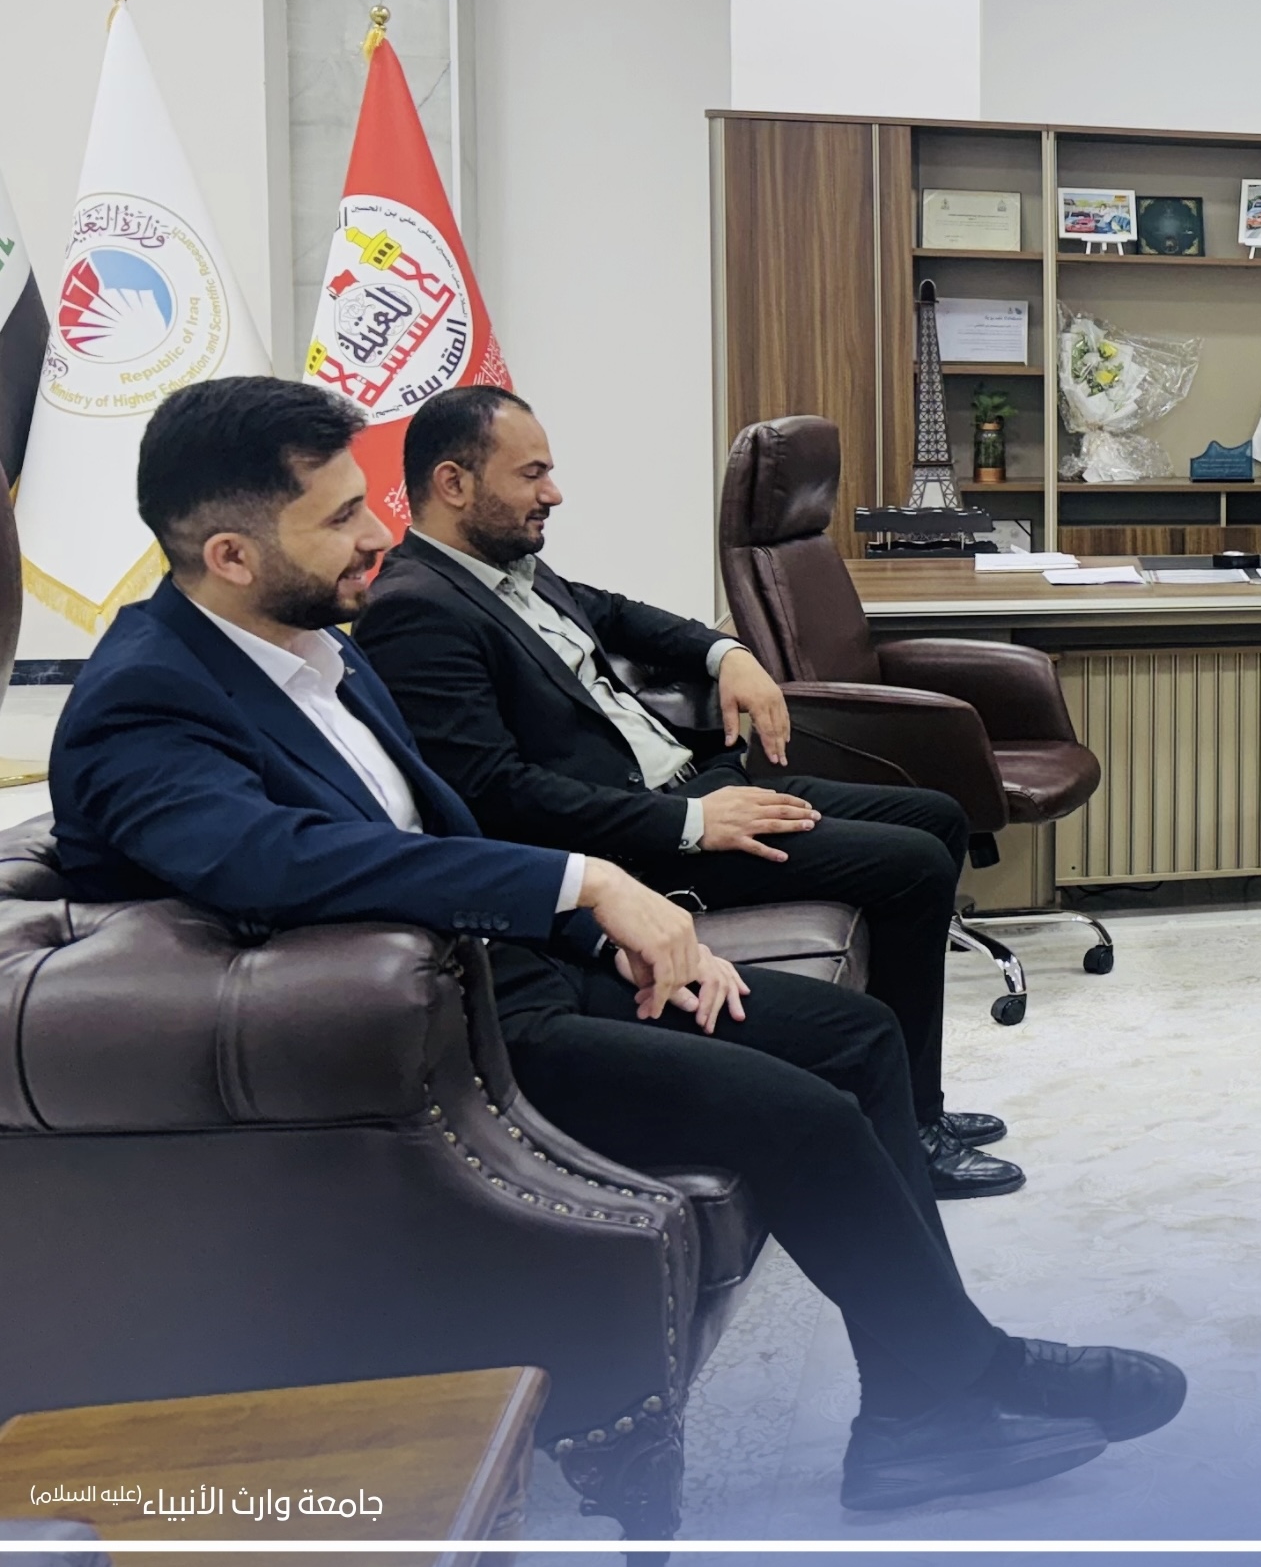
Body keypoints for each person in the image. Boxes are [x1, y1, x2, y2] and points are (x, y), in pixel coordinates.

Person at [47, 377, 1181, 1511]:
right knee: (806, 1113)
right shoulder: (145, 702)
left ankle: (917, 1406)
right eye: (341, 517)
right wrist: (584, 881)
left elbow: (434, 825)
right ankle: (964, 1379)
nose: (376, 538)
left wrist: (596, 926)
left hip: (506, 969)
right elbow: (279, 859)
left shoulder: (306, 646)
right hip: (425, 1040)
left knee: (855, 1039)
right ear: (232, 554)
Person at [352, 383, 1019, 1199]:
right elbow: (494, 793)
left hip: (694, 786)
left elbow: (620, 615)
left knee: (936, 818)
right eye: (532, 474)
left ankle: (913, 1101)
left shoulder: (509, 569)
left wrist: (725, 654)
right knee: (911, 865)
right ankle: (913, 1130)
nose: (553, 494)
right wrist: (689, 822)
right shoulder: (416, 611)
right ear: (454, 484)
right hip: (643, 845)